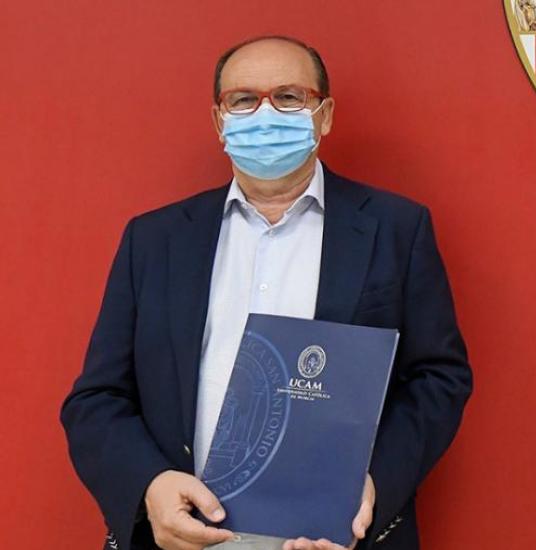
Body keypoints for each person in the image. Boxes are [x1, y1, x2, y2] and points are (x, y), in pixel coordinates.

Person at [60, 35, 472, 550]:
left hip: (338, 538)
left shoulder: (396, 228)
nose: (265, 114)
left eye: (288, 97)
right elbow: (97, 399)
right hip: (183, 537)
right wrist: (150, 485)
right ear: (219, 120)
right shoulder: (155, 240)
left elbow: (438, 379)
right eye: (243, 99)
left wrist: (372, 488)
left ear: (324, 115)